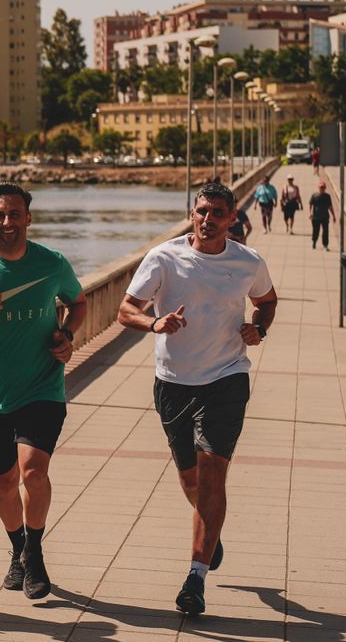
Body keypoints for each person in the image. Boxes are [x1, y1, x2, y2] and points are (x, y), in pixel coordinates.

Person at [117, 181, 277, 616]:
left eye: (218, 213)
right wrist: (154, 324)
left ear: (232, 218)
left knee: (211, 475)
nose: (209, 220)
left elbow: (266, 301)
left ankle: (195, 578)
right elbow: (126, 309)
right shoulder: (164, 257)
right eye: (202, 211)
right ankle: (212, 529)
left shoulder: (248, 261)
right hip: (173, 382)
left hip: (227, 378)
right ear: (193, 213)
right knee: (190, 480)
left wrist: (258, 329)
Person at [0, 184, 87, 600]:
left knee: (32, 472)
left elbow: (77, 303)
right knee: (4, 481)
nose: (7, 222)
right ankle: (17, 550)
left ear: (28, 218)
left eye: (15, 214)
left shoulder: (52, 263)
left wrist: (66, 334)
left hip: (43, 386)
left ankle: (36, 554)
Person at [308, 180, 335, 251]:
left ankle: (325, 245)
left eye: (323, 187)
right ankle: (314, 242)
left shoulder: (327, 196)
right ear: (318, 188)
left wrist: (334, 216)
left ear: (325, 188)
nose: (322, 189)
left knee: (325, 231)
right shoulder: (314, 195)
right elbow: (310, 204)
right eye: (321, 187)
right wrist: (310, 213)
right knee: (316, 230)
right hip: (316, 217)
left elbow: (330, 206)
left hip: (325, 217)